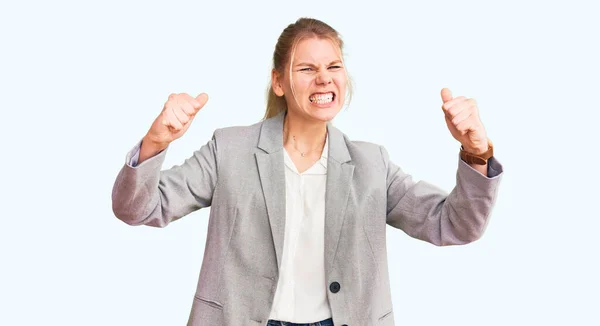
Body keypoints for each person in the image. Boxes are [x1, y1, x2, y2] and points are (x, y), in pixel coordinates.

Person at [111, 17, 503, 326]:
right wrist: (156, 141)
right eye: (307, 68)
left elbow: (455, 224)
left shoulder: (371, 164)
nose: (324, 78)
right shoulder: (229, 149)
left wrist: (476, 151)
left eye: (334, 65)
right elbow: (139, 208)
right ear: (278, 81)